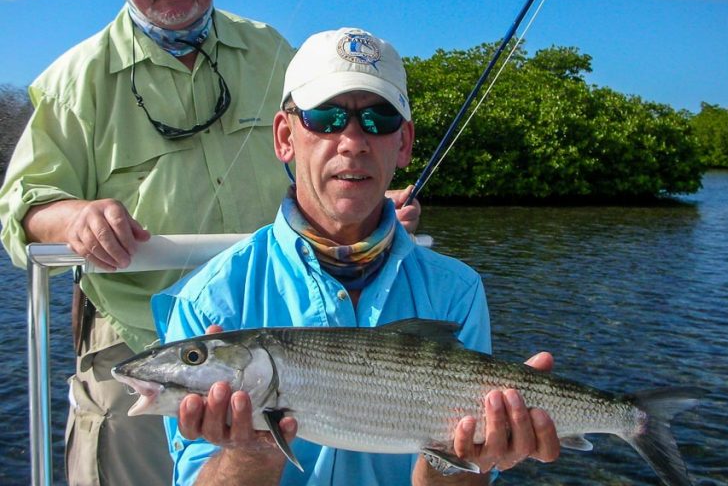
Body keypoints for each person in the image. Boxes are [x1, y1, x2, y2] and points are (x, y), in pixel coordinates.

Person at [0, 0, 418, 485]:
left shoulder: (272, 51)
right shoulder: (74, 80)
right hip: (134, 337)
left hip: (276, 325)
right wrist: (73, 217)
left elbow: (322, 150)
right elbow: (21, 209)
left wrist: (362, 196)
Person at [152, 27, 560, 486]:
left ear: (403, 143)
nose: (352, 141)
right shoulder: (208, 302)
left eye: (377, 120)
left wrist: (458, 460)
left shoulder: (457, 290)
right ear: (285, 136)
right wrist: (251, 453)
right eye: (326, 117)